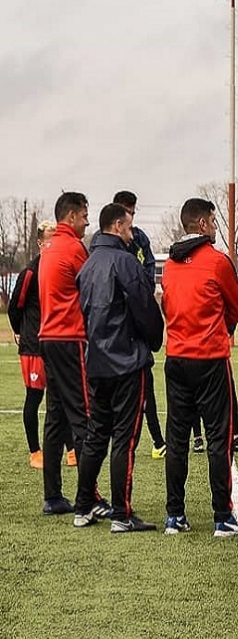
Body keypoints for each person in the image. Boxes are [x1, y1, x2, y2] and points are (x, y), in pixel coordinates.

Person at [73, 203, 164, 532]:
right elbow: (146, 310)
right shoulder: (125, 262)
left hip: (96, 362)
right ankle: (122, 515)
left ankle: (83, 506)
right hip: (126, 361)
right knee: (124, 439)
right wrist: (153, 340)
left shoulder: (88, 265)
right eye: (128, 225)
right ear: (116, 225)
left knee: (96, 436)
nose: (131, 231)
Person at [161, 198, 238, 537]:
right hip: (209, 359)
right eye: (212, 220)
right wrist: (220, 328)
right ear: (201, 224)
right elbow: (235, 308)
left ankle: (174, 515)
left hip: (176, 358)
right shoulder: (217, 261)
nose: (215, 226)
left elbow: (168, 305)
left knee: (177, 438)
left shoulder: (170, 265)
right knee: (218, 438)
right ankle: (222, 515)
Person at [37, 191, 107, 517]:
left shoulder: (49, 248)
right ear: (71, 216)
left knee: (56, 418)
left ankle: (52, 496)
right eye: (84, 216)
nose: (87, 222)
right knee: (84, 417)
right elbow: (92, 286)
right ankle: (89, 496)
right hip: (70, 339)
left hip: (48, 338)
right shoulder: (73, 247)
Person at [7, 220, 75, 469]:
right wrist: (20, 332)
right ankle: (35, 452)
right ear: (39, 242)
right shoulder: (30, 272)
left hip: (56, 343)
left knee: (62, 397)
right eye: (49, 240)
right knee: (34, 398)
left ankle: (71, 450)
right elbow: (15, 307)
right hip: (34, 346)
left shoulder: (61, 268)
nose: (53, 244)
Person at [112, 190, 167, 459]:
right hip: (113, 330)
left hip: (137, 327)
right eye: (127, 212)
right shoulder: (104, 246)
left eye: (133, 212)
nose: (131, 218)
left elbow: (148, 274)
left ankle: (158, 441)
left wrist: (137, 291)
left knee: (147, 386)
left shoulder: (140, 239)